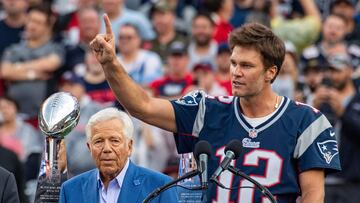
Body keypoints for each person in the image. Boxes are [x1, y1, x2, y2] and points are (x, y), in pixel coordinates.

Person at [90, 15, 341, 202]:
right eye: (233, 63)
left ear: (271, 72)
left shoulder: (306, 120)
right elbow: (141, 106)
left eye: (246, 65)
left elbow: (312, 196)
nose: (236, 72)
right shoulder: (207, 109)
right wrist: (111, 63)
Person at [59, 108, 178, 203]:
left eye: (115, 141)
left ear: (129, 146)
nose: (106, 149)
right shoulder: (70, 189)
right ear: (89, 148)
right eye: (98, 141)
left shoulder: (161, 186)